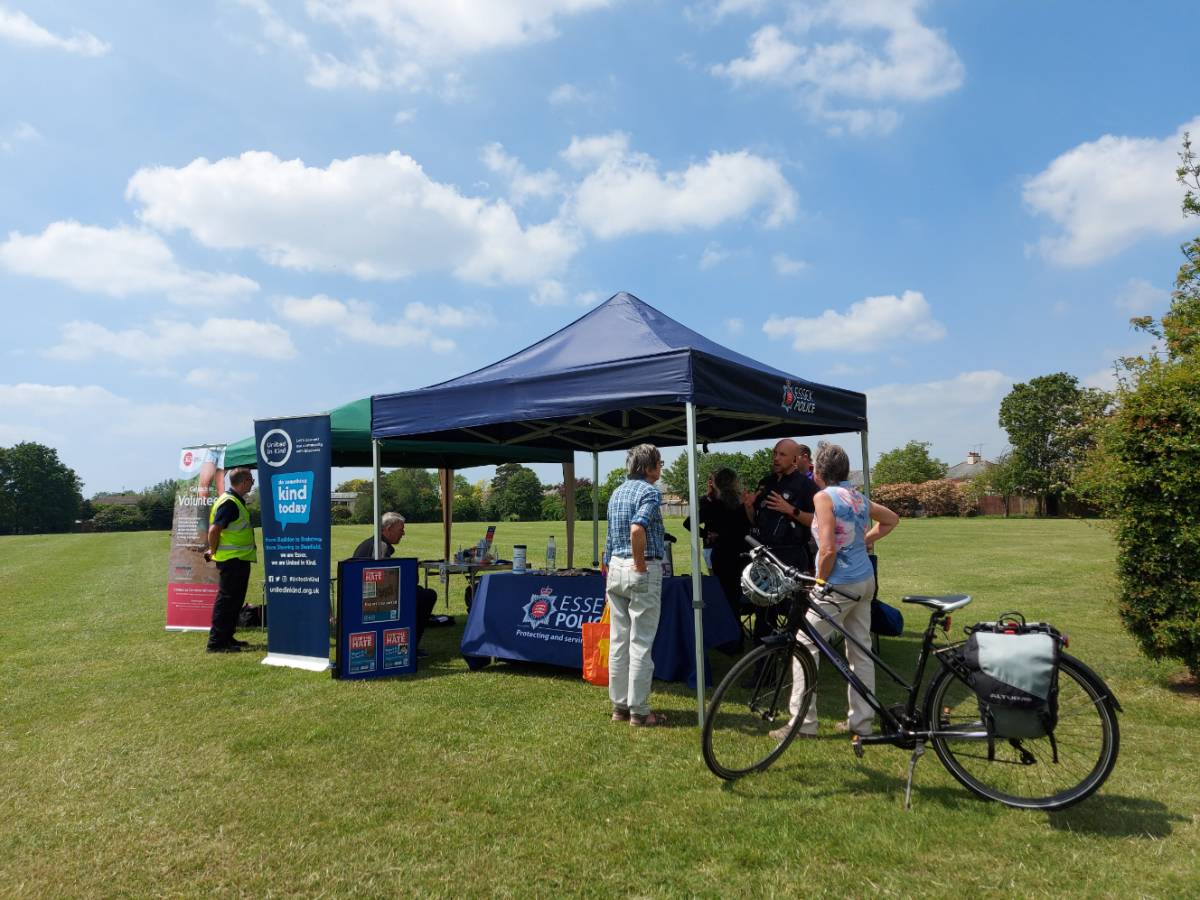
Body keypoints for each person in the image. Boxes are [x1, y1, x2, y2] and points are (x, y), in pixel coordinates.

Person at [771, 443, 899, 741]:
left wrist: (818, 582)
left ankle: (803, 723)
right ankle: (862, 722)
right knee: (860, 649)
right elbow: (891, 519)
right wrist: (861, 541)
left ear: (819, 469)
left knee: (805, 643)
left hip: (838, 583)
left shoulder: (824, 497)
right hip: (865, 580)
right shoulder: (856, 496)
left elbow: (827, 549)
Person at [604, 444, 667, 727]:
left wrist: (611, 565)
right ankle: (640, 711)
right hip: (639, 567)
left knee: (619, 641)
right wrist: (640, 564)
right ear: (648, 466)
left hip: (615, 568)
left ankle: (619, 707)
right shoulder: (649, 491)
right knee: (640, 642)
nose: (661, 467)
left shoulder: (617, 492)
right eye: (659, 463)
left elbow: (609, 535)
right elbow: (636, 527)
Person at [744, 439, 818, 640]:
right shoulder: (766, 483)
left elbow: (818, 520)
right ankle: (763, 664)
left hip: (792, 556)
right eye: (775, 453)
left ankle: (796, 657)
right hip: (766, 556)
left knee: (794, 611)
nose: (776, 458)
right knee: (764, 613)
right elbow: (756, 521)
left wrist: (790, 510)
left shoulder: (806, 486)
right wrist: (749, 508)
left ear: (795, 459)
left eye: (782, 454)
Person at [352, 512, 437, 657]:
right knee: (426, 596)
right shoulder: (380, 546)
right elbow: (383, 581)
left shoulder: (373, 543)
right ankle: (410, 646)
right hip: (372, 600)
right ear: (388, 528)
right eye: (400, 530)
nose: (403, 533)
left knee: (420, 592)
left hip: (365, 596)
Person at [684, 467, 751, 621]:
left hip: (721, 553)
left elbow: (688, 523)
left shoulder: (713, 505)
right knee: (738, 595)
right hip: (742, 554)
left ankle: (730, 633)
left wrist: (706, 534)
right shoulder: (742, 503)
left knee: (724, 595)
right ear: (735, 483)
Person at [203, 467, 257, 653]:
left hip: (238, 559)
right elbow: (214, 530)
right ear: (243, 482)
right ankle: (216, 643)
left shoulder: (234, 501)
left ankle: (227, 637)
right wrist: (213, 549)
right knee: (227, 601)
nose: (253, 483)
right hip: (232, 560)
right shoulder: (230, 503)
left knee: (234, 601)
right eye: (251, 480)